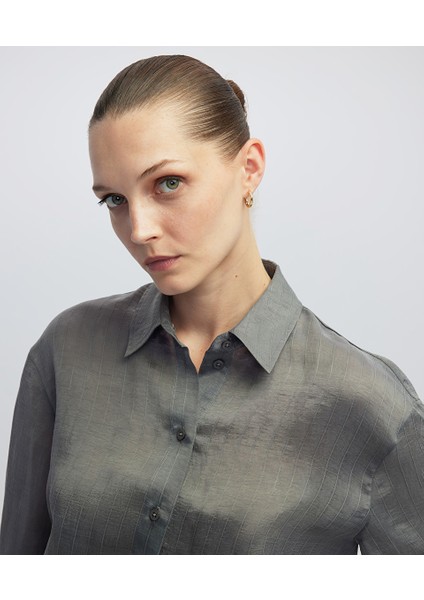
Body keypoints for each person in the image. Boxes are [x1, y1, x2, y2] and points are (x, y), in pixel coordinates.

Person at [1, 54, 423, 555]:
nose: (139, 230)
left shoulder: (372, 406)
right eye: (114, 199)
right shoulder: (67, 349)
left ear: (249, 169)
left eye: (168, 183)